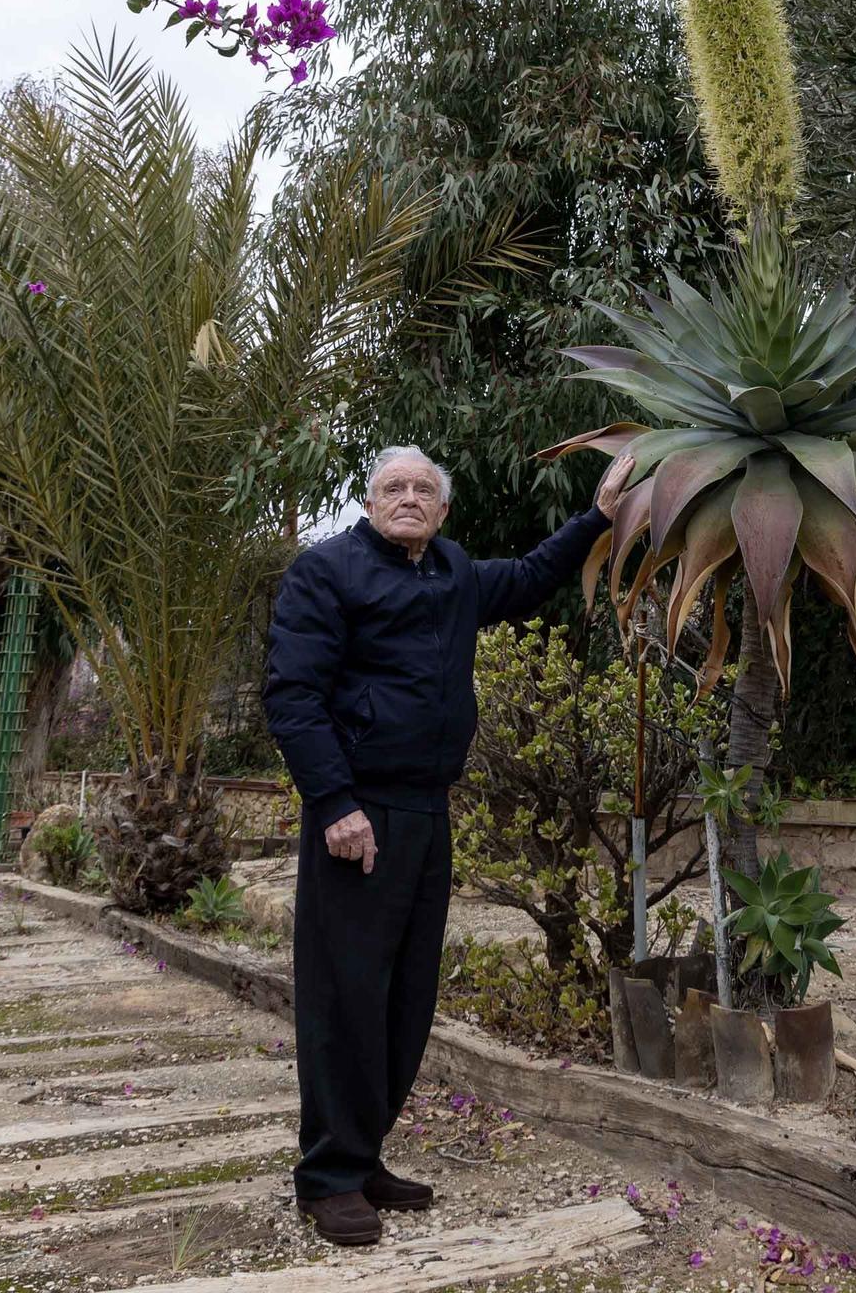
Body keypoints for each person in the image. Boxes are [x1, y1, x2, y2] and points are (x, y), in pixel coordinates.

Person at [262, 440, 632, 1246]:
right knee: (344, 997)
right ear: (368, 503)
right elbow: (292, 695)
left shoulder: (455, 572)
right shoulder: (325, 573)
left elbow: (532, 577)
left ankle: (363, 1157)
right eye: (391, 485)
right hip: (356, 818)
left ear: (443, 509)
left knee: (405, 998)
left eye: (421, 488)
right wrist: (333, 803)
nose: (406, 497)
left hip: (427, 814)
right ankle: (327, 1177)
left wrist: (597, 518)